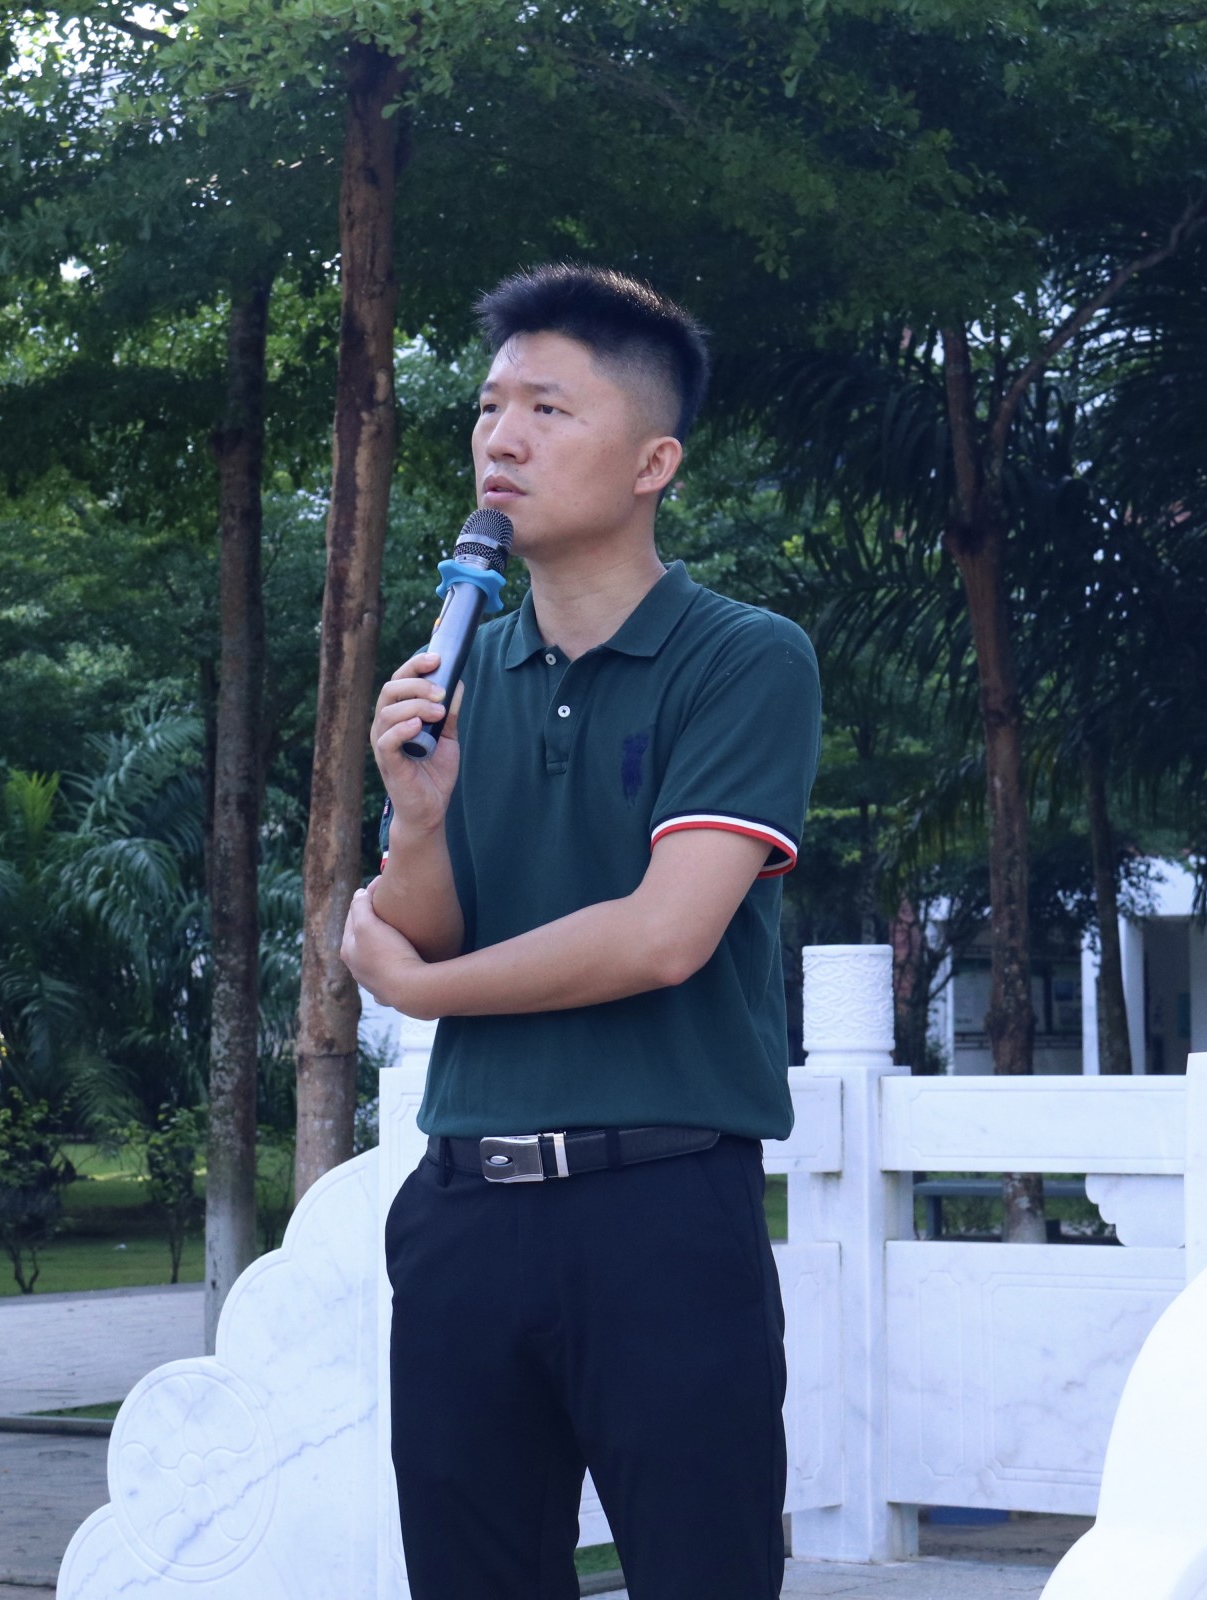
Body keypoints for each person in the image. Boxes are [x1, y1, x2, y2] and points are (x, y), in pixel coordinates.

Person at [341, 264, 821, 1600]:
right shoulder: (461, 672)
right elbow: (422, 924)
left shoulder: (743, 657)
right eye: (490, 407)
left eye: (549, 409)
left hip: (660, 1211)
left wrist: (426, 992)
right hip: (462, 1211)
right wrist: (417, 818)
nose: (502, 438)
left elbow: (664, 934)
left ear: (654, 461)